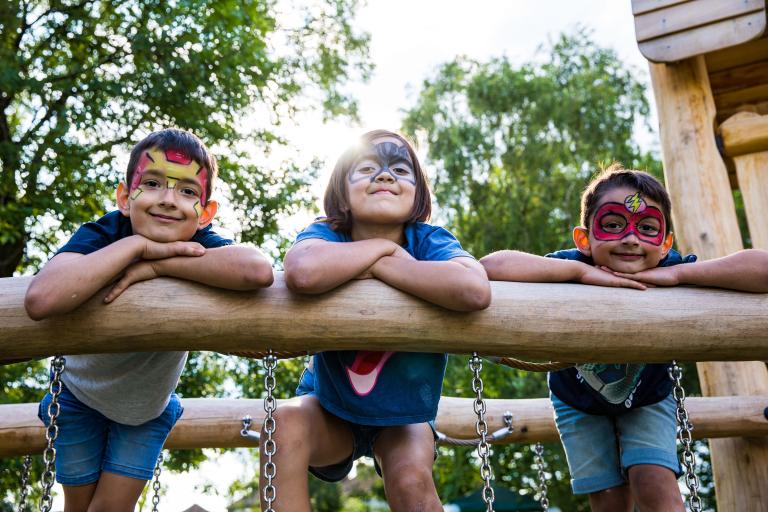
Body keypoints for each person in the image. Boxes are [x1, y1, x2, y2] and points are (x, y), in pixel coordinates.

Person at [480, 164, 768, 512]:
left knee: (656, 484)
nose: (631, 238)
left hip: (648, 398)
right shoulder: (571, 266)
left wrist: (680, 274)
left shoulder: (667, 268)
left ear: (664, 245)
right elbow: (491, 265)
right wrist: (579, 272)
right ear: (584, 240)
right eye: (613, 225)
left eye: (647, 228)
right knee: (608, 501)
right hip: (577, 402)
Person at [25, 128, 274, 512]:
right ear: (126, 197)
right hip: (77, 396)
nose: (168, 200)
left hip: (145, 411)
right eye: (153, 183)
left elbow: (257, 271)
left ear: (205, 214)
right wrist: (136, 246)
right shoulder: (107, 232)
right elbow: (42, 297)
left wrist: (155, 266)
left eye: (188, 191)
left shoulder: (200, 241)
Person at [265, 129, 491, 512]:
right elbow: (302, 272)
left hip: (404, 417)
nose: (384, 176)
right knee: (284, 421)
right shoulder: (328, 233)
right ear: (343, 194)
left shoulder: (428, 241)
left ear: (417, 194)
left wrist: (376, 266)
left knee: (410, 480)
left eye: (400, 170)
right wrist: (386, 250)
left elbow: (473, 289)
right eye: (367, 167)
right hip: (330, 407)